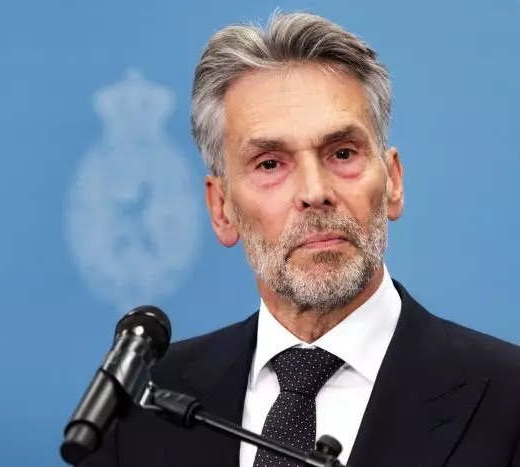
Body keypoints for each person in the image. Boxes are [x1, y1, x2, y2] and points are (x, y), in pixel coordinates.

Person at [78, 10, 520, 467]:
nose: (314, 191)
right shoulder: (139, 411)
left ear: (392, 181)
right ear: (222, 208)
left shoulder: (508, 400)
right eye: (270, 163)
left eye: (343, 153)